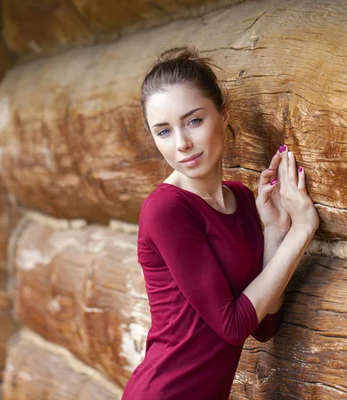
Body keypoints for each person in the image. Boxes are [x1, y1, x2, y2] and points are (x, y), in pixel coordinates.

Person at [121, 45, 320, 400]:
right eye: (163, 131)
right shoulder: (166, 209)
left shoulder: (242, 199)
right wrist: (302, 232)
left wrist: (275, 232)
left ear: (223, 116)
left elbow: (264, 326)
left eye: (194, 120)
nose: (182, 143)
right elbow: (233, 326)